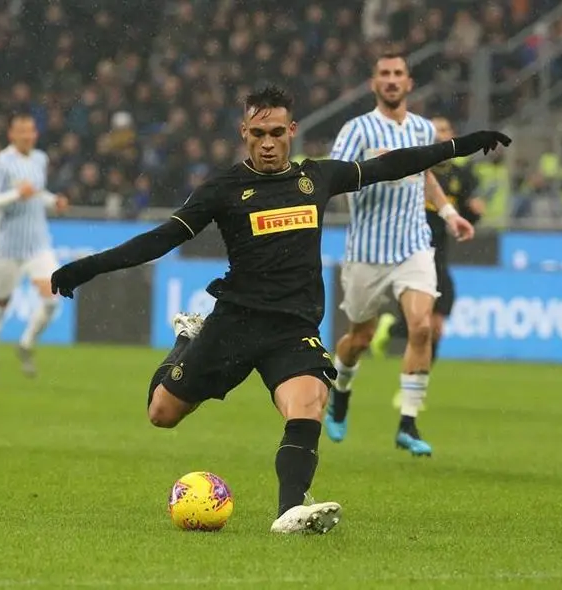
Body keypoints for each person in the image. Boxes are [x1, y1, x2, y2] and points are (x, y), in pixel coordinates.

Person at [48, 86, 510, 534]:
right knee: (161, 414)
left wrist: (461, 145)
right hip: (234, 323)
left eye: (275, 133)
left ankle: (291, 511)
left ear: (291, 131)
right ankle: (186, 339)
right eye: (257, 134)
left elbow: (391, 165)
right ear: (243, 133)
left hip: (292, 327)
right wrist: (85, 269)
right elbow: (158, 240)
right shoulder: (223, 189)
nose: (267, 144)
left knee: (309, 403)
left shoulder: (315, 178)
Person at [324, 54, 476, 457]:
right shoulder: (357, 129)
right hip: (367, 251)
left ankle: (408, 423)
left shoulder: (424, 128)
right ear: (374, 83)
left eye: (398, 74)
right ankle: (341, 392)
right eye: (384, 74)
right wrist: (369, 175)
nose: (391, 80)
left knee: (422, 327)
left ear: (409, 83)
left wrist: (449, 213)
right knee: (360, 338)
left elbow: (426, 175)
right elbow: (333, 176)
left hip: (413, 245)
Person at [369, 115, 483, 369]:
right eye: (436, 130)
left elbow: (464, 216)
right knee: (421, 322)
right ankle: (392, 331)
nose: (441, 134)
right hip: (412, 249)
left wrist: (474, 213)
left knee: (437, 326)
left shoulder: (461, 175)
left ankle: (419, 381)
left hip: (439, 253)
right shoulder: (415, 165)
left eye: (446, 129)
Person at [0, 112, 69, 383]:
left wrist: (54, 202)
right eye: (22, 132)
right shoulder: (1, 164)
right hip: (7, 248)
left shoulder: (40, 159)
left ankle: (26, 344)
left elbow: (37, 194)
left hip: (38, 245)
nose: (28, 136)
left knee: (52, 299)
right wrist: (16, 194)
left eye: (31, 131)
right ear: (12, 135)